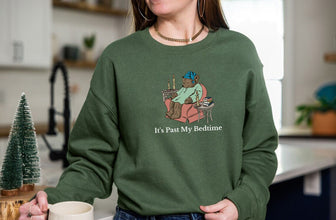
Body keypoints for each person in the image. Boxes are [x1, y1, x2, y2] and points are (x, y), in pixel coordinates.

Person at [19, 0, 278, 219]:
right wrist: (53, 202)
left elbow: (260, 151)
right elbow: (92, 159)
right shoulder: (118, 59)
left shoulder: (239, 53)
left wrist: (241, 203)